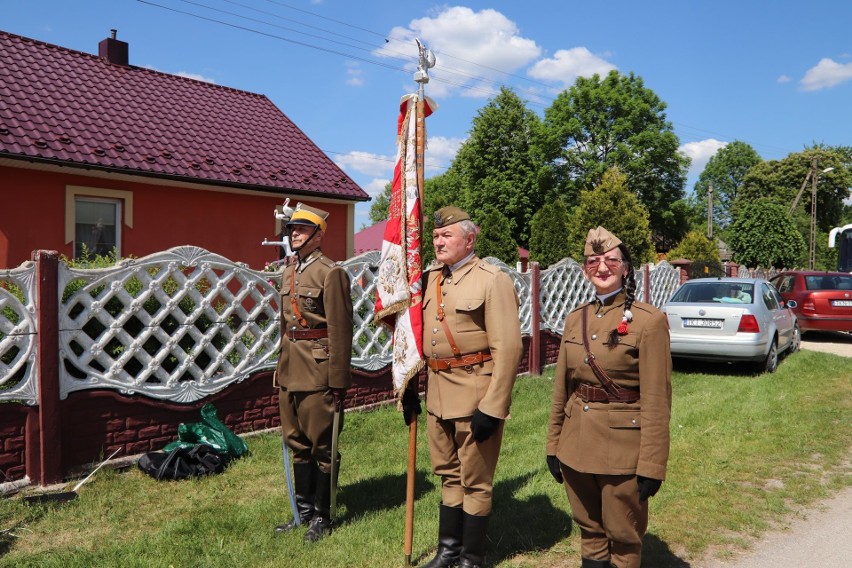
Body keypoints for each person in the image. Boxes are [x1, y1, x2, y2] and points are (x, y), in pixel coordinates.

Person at [545, 227, 672, 568]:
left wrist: (652, 465)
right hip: (576, 446)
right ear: (585, 269)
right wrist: (553, 445)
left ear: (626, 267)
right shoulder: (575, 319)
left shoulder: (649, 321)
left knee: (623, 536)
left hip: (622, 452)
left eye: (610, 260)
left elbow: (658, 401)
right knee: (590, 530)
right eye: (593, 261)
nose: (601, 268)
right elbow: (562, 390)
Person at [404, 206, 522, 568]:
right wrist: (408, 382)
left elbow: (509, 348)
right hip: (438, 394)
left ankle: (472, 558)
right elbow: (412, 333)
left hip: (476, 395)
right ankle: (448, 551)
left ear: (470, 239)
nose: (438, 241)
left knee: (475, 481)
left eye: (446, 236)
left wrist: (494, 405)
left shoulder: (492, 279)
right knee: (449, 476)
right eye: (436, 236)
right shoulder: (429, 279)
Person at [273, 203, 353, 542]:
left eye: (302, 230)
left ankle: (323, 515)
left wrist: (337, 381)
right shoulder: (289, 271)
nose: (295, 234)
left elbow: (341, 329)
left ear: (318, 235)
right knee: (296, 442)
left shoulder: (330, 273)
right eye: (292, 229)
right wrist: (280, 368)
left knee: (322, 444)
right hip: (291, 368)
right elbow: (284, 326)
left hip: (319, 371)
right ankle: (302, 512)